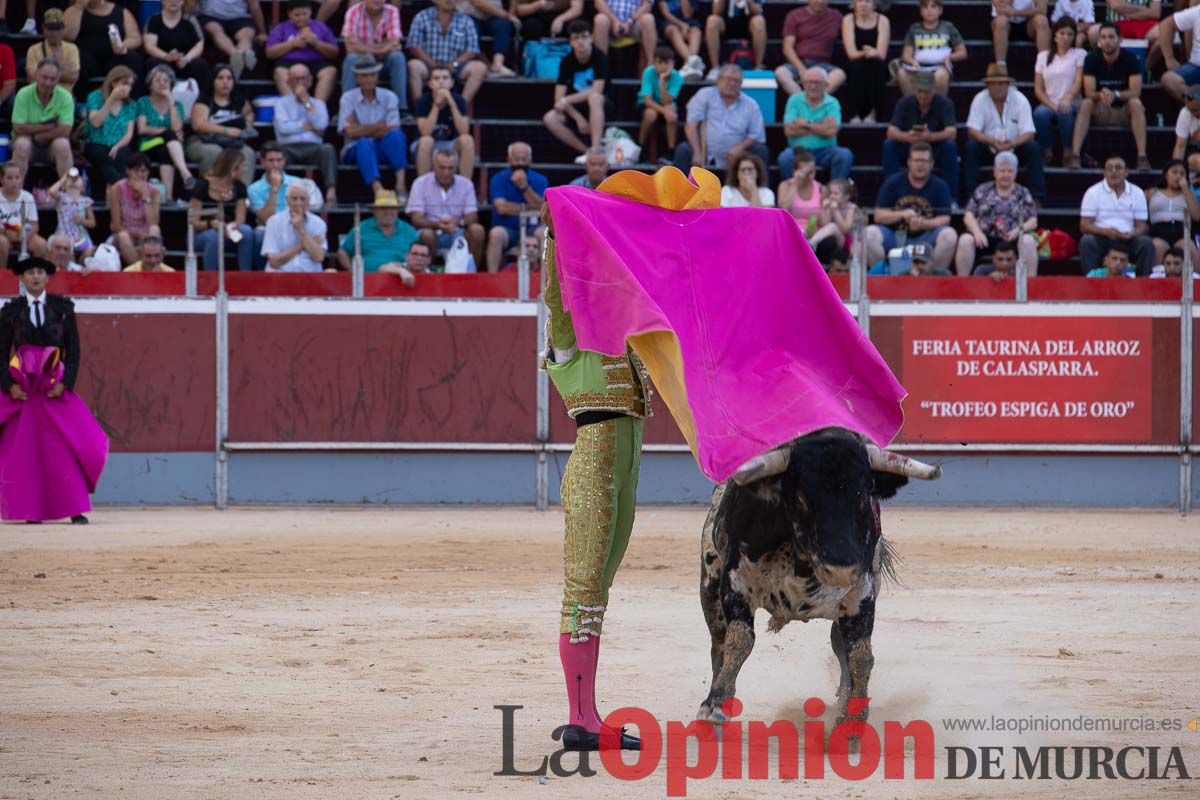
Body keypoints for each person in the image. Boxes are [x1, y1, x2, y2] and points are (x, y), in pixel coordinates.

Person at [538, 192, 648, 756]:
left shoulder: (621, 334)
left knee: (597, 592)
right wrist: (558, 232)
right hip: (595, 460)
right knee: (583, 591)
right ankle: (581, 717)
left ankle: (587, 712)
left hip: (625, 463)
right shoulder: (568, 332)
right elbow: (558, 291)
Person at [0, 256, 107, 525]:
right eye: (29, 273)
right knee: (27, 451)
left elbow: (74, 352)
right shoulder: (10, 311)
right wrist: (9, 386)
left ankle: (74, 509)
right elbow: (1, 354)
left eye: (39, 272)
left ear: (47, 278)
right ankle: (30, 510)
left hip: (52, 389)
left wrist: (65, 383)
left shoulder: (62, 308)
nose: (35, 277)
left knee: (64, 447)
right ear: (22, 279)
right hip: (25, 391)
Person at [865, 142, 957, 272]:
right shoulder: (893, 182)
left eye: (924, 161)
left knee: (949, 235)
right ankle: (883, 277)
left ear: (931, 164)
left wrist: (923, 223)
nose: (920, 165)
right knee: (869, 234)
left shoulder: (940, 186)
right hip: (895, 235)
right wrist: (902, 214)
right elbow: (878, 215)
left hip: (926, 237)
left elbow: (945, 219)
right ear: (909, 162)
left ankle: (934, 278)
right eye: (916, 160)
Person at [1068, 21, 1149, 171]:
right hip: (1101, 110)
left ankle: (1142, 157)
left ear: (1120, 39)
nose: (1107, 41)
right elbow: (1089, 92)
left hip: (1123, 112)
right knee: (1086, 103)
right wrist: (1101, 94)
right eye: (1103, 37)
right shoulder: (1092, 59)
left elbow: (1136, 91)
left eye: (1111, 37)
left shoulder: (1131, 59)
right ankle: (1075, 155)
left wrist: (1116, 94)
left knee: (1136, 103)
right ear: (1099, 40)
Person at [963, 63, 1044, 202]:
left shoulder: (1020, 99)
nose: (997, 87)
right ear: (987, 86)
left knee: (1034, 148)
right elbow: (972, 130)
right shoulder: (980, 99)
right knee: (970, 147)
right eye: (993, 84)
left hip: (1014, 147)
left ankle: (1037, 198)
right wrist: (991, 142)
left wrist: (1012, 143)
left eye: (1001, 83)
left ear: (1008, 84)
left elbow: (1029, 132)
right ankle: (971, 197)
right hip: (989, 147)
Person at [955, 152, 1039, 276]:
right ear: (995, 172)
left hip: (1012, 238)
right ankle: (962, 285)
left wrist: (1018, 230)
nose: (1006, 175)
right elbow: (968, 215)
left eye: (1010, 171)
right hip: (984, 239)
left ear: (1015, 174)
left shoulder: (1023, 192)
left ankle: (1031, 286)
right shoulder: (983, 190)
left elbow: (1033, 220)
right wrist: (976, 232)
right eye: (1002, 171)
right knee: (965, 239)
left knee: (1028, 241)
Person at [674, 65, 767, 173]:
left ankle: (761, 189)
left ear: (741, 84)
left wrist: (740, 148)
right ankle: (679, 189)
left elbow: (756, 134)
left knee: (761, 150)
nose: (732, 83)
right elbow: (691, 125)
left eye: (736, 81)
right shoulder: (704, 95)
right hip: (704, 151)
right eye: (728, 79)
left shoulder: (750, 105)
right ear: (718, 80)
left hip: (737, 156)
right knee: (683, 150)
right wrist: (697, 151)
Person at [339, 55, 408, 200]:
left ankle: (401, 186)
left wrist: (360, 127)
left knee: (397, 136)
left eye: (372, 75)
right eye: (364, 76)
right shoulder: (347, 98)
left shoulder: (390, 97)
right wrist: (379, 127)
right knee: (364, 142)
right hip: (355, 149)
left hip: (382, 146)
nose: (369, 79)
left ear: (377, 76)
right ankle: (378, 190)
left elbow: (392, 128)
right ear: (357, 78)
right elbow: (349, 132)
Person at [543, 21, 612, 160]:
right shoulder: (566, 62)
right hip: (575, 109)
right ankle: (587, 152)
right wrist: (577, 117)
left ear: (591, 39)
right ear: (570, 42)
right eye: (576, 38)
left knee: (594, 98)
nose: (581, 42)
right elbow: (558, 98)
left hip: (601, 106)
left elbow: (596, 90)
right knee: (550, 118)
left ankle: (596, 147)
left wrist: (566, 100)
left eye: (584, 37)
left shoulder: (600, 57)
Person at [882, 70, 959, 195]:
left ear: (934, 89)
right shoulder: (904, 103)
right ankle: (891, 194)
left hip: (934, 148)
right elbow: (891, 131)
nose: (923, 96)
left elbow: (952, 132)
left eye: (927, 92)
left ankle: (951, 197)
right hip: (910, 146)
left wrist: (930, 137)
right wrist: (907, 136)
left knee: (950, 147)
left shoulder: (945, 103)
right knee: (889, 145)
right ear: (915, 90)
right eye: (920, 91)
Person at [406, 148, 485, 268]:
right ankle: (427, 273)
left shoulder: (466, 184)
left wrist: (458, 222)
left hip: (457, 230)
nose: (446, 172)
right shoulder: (420, 183)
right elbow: (416, 219)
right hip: (431, 230)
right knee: (427, 235)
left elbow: (472, 216)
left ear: (457, 168)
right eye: (442, 168)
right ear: (433, 167)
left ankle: (471, 272)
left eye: (450, 168)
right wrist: (437, 224)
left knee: (477, 231)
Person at [274, 63, 339, 206]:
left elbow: (321, 125)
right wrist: (305, 127)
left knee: (328, 149)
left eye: (303, 79)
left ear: (310, 81)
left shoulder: (319, 104)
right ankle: (276, 193)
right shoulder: (281, 103)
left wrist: (306, 102)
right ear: (288, 82)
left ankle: (331, 193)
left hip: (313, 148)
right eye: (295, 79)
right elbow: (283, 128)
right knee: (276, 154)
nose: (300, 83)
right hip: (288, 148)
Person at [1078, 154, 1153, 275]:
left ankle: (1143, 287)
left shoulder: (1137, 192)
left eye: (1118, 168)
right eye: (1109, 168)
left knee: (1146, 243)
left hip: (1128, 238)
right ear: (1104, 173)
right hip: (1102, 238)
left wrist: (1132, 233)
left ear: (1126, 172)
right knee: (1087, 241)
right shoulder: (1093, 192)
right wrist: (1106, 232)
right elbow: (1084, 225)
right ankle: (1091, 285)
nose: (1114, 171)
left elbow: (1142, 226)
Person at [406, 0, 489, 105]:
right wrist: (432, 64)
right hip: (428, 65)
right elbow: (414, 46)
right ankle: (418, 108)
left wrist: (454, 64)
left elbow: (472, 50)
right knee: (413, 65)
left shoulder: (466, 20)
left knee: (480, 68)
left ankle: (460, 108)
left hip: (455, 66)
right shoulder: (422, 17)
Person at [778, 66, 853, 181]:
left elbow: (832, 131)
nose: (813, 86)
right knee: (785, 158)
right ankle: (793, 193)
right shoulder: (794, 100)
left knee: (844, 155)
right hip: (799, 150)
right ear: (803, 84)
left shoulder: (832, 102)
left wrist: (806, 123)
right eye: (809, 82)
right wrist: (821, 127)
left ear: (825, 85)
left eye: (817, 83)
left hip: (826, 150)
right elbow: (788, 130)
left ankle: (835, 192)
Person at [136, 64, 198, 203]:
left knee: (166, 149)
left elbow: (177, 128)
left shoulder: (177, 105)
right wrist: (164, 131)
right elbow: (142, 129)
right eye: (157, 80)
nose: (162, 83)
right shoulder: (143, 102)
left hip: (168, 146)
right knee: (169, 134)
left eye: (166, 80)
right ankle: (185, 173)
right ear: (150, 84)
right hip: (148, 144)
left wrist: (171, 101)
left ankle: (168, 197)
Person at [190, 148, 256, 271]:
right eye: (243, 166)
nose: (245, 170)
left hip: (227, 230)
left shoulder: (240, 187)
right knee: (215, 236)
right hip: (203, 232)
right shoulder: (202, 185)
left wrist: (229, 226)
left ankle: (245, 276)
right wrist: (212, 224)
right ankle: (210, 279)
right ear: (233, 168)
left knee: (246, 231)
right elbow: (194, 222)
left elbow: (240, 219)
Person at [487, 142, 547, 273]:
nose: (520, 163)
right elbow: (502, 208)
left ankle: (545, 280)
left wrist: (524, 187)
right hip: (508, 229)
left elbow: (542, 208)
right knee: (495, 234)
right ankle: (492, 277)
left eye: (524, 159)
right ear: (508, 160)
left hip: (532, 228)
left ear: (530, 160)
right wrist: (528, 206)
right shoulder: (498, 179)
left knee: (544, 234)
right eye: (516, 159)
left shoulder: (540, 180)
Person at [10, 59, 75, 182]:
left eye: (52, 79)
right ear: (36, 75)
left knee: (63, 144)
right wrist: (48, 127)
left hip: (51, 145)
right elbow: (18, 127)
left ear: (58, 79)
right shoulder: (23, 94)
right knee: (21, 145)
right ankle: (16, 195)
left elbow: (65, 131)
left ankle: (70, 195)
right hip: (26, 144)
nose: (48, 83)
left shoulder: (66, 97)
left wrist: (36, 137)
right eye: (44, 77)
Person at [1033, 16, 1085, 166]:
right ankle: (1047, 153)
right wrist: (1052, 105)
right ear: (1055, 35)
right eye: (1062, 33)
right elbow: (1038, 88)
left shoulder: (1079, 54)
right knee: (1039, 113)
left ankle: (1068, 152)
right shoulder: (1043, 56)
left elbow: (1079, 81)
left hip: (1072, 101)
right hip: (1050, 102)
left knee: (1064, 109)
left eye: (1069, 34)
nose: (1066, 38)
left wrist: (1068, 97)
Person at [64, 0, 146, 96]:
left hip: (113, 58)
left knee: (133, 58)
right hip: (86, 59)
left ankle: (135, 101)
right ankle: (81, 102)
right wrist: (79, 7)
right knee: (76, 58)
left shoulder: (121, 11)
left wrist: (123, 45)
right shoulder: (73, 10)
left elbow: (135, 38)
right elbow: (68, 36)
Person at [188, 64, 257, 176]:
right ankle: (210, 189)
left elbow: (249, 113)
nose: (225, 82)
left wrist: (248, 126)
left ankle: (242, 191)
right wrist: (226, 130)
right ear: (213, 81)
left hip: (232, 142)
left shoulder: (239, 100)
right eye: (220, 78)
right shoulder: (204, 100)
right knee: (213, 151)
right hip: (203, 142)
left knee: (248, 153)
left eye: (229, 78)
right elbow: (198, 125)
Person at [267, 0, 340, 104]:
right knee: (280, 72)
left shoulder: (320, 27)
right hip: (289, 62)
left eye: (305, 14)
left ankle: (318, 108)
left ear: (310, 12)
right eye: (297, 15)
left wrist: (317, 43)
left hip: (316, 62)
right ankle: (293, 107)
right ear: (289, 14)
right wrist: (291, 44)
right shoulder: (281, 28)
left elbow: (334, 53)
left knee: (330, 71)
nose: (301, 18)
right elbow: (270, 52)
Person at [82, 66, 137, 198]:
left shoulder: (131, 104)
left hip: (119, 143)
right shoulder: (95, 97)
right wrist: (111, 99)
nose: (127, 88)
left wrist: (117, 146)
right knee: (103, 157)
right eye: (124, 83)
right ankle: (125, 191)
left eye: (130, 85)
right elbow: (95, 122)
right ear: (113, 82)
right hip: (96, 142)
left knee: (124, 157)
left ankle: (119, 194)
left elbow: (129, 134)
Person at [413, 62, 474, 177]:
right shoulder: (423, 101)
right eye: (436, 78)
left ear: (451, 83)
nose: (441, 82)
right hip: (424, 146)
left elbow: (464, 131)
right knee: (426, 141)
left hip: (450, 144)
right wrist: (436, 105)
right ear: (430, 84)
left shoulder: (459, 100)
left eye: (445, 78)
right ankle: (423, 189)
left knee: (467, 140)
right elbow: (425, 132)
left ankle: (465, 189)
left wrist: (452, 103)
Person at [336, 190, 419, 275]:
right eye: (383, 208)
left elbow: (419, 255)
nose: (388, 212)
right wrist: (353, 272)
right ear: (375, 210)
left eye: (392, 208)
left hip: (400, 281)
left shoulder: (408, 231)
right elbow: (343, 252)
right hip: (368, 281)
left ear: (397, 210)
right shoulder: (361, 228)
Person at [776, 0, 846, 97]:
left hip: (823, 65)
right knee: (781, 73)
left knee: (840, 75)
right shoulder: (794, 15)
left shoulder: (836, 16)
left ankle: (814, 103)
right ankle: (803, 103)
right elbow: (787, 48)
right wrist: (801, 69)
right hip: (799, 63)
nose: (820, 1)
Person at [342, 0, 409, 102]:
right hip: (362, 61)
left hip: (383, 62)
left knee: (397, 57)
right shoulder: (353, 11)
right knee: (351, 58)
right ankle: (346, 107)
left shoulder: (392, 11)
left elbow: (395, 43)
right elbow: (350, 47)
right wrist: (381, 47)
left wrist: (362, 47)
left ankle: (401, 109)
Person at [248, 142, 324, 229]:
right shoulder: (253, 189)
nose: (275, 165)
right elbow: (266, 220)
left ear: (284, 161)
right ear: (262, 161)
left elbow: (304, 213)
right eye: (271, 160)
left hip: (294, 225)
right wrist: (274, 189)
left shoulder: (297, 182)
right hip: (268, 228)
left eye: (279, 160)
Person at [897, 0, 966, 97]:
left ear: (940, 10)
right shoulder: (914, 28)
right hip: (918, 67)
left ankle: (937, 108)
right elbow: (906, 55)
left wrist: (949, 58)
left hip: (940, 67)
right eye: (925, 7)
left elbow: (962, 52)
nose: (929, 10)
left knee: (940, 76)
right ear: (920, 11)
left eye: (933, 6)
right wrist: (912, 62)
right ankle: (913, 106)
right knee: (901, 73)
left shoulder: (948, 27)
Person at [106, 154, 163, 266]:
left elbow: (153, 222)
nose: (140, 175)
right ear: (128, 171)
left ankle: (147, 268)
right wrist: (137, 234)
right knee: (123, 236)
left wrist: (145, 195)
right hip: (124, 233)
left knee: (155, 230)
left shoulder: (154, 192)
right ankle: (141, 270)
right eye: (136, 171)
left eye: (144, 171)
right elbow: (116, 225)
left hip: (145, 235)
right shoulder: (117, 189)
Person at [840, 0, 890, 124]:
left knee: (877, 66)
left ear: (874, 4)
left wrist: (874, 53)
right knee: (857, 66)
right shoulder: (848, 19)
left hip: (876, 61)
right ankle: (855, 114)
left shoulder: (883, 20)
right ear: (854, 4)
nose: (863, 4)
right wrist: (866, 52)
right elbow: (851, 53)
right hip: (855, 61)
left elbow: (882, 54)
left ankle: (873, 113)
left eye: (867, 1)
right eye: (860, 1)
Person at [262, 182, 329, 272]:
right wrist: (302, 245)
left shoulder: (319, 223)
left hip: (311, 277)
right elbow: (274, 261)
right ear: (287, 200)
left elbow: (319, 257)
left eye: (302, 199)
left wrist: (301, 229)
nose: (299, 203)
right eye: (294, 199)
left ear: (308, 200)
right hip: (281, 275)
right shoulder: (273, 222)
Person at [144, 0, 211, 90]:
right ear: (163, 1)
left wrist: (187, 58)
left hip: (184, 61)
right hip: (163, 59)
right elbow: (150, 46)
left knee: (200, 64)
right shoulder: (154, 20)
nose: (173, 1)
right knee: (153, 62)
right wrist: (166, 56)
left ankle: (201, 99)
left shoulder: (190, 20)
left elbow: (199, 44)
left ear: (183, 2)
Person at [1145, 159, 1200, 267]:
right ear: (1166, 175)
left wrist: (1186, 190)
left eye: (1182, 173)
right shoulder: (1153, 192)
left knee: (1188, 246)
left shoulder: (1189, 194)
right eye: (1174, 172)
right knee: (1157, 246)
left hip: (1182, 231)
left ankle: (1196, 281)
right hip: (1158, 231)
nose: (1178, 176)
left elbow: (1197, 216)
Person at [196, 0, 267, 79]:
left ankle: (243, 53)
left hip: (239, 16)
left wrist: (262, 32)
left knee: (246, 34)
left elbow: (255, 7)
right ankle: (236, 54)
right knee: (215, 31)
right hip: (210, 16)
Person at [24, 9, 81, 96]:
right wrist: (63, 70)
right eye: (50, 28)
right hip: (40, 97)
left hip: (65, 98)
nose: (54, 33)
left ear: (63, 28)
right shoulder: (33, 49)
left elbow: (73, 77)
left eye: (57, 28)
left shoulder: (72, 49)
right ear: (43, 28)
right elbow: (31, 77)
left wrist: (44, 74)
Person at [704, 0, 766, 79]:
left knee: (759, 21)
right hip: (726, 23)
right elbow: (716, 11)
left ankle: (758, 67)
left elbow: (757, 10)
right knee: (712, 20)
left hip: (748, 23)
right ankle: (715, 68)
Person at [637, 46, 682, 152]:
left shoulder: (677, 77)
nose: (662, 66)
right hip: (648, 104)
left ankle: (671, 150)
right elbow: (647, 100)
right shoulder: (648, 72)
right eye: (659, 62)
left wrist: (662, 80)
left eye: (666, 63)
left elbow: (667, 101)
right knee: (650, 114)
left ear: (672, 64)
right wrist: (665, 112)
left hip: (665, 104)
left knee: (671, 111)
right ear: (654, 62)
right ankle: (641, 147)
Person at [456, 0, 517, 78]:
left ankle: (498, 65)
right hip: (470, 14)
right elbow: (478, 2)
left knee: (504, 25)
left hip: (493, 16)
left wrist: (512, 11)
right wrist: (507, 15)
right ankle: (484, 65)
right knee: (471, 28)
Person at [0, 162, 45, 264]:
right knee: (1, 243)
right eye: (10, 178)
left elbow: (35, 225)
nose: (14, 182)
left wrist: (24, 237)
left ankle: (35, 275)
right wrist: (6, 232)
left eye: (17, 178)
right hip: (3, 234)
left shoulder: (27, 197)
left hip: (24, 234)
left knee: (41, 245)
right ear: (1, 179)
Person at [49, 168, 96, 262]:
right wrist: (65, 178)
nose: (74, 180)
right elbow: (51, 191)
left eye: (78, 178)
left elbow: (92, 223)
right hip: (64, 233)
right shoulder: (62, 197)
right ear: (64, 187)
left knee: (89, 250)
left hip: (80, 236)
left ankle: (79, 266)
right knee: (67, 251)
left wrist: (82, 221)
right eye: (71, 179)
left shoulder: (85, 201)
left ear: (82, 187)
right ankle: (71, 268)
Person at [593, 0, 656, 67]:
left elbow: (647, 5)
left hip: (634, 22)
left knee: (648, 19)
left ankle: (651, 66)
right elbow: (598, 2)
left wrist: (629, 22)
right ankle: (600, 67)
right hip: (609, 20)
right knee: (600, 20)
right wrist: (613, 20)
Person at [1160, 2, 1200, 103]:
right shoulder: (1197, 11)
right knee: (1169, 79)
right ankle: (1196, 103)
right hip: (1196, 67)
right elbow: (1166, 25)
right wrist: (1169, 59)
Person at [992, 0, 1050, 65]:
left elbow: (1042, 9)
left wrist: (1015, 12)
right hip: (1005, 23)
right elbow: (1000, 9)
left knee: (1042, 20)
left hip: (1028, 22)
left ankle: (1044, 64)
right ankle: (1000, 66)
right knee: (1001, 21)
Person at [775, 147, 821, 229]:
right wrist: (795, 184)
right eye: (805, 172)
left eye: (811, 172)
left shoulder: (820, 187)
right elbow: (784, 210)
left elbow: (824, 221)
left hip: (814, 233)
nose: (809, 176)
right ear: (794, 171)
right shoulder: (785, 185)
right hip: (792, 230)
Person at [657, 0, 704, 78]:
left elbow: (687, 15)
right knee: (673, 30)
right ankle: (692, 62)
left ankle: (689, 65)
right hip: (669, 23)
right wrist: (681, 25)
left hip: (688, 22)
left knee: (696, 31)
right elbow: (666, 14)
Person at [810, 177, 858, 251]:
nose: (832, 196)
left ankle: (810, 243)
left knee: (833, 226)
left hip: (849, 242)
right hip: (833, 239)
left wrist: (836, 211)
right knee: (823, 228)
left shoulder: (851, 208)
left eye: (836, 193)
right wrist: (824, 209)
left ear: (846, 196)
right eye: (830, 193)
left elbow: (845, 230)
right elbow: (824, 224)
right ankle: (811, 243)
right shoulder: (831, 205)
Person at [513, 0, 583, 41]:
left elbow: (577, 8)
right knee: (531, 26)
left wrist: (560, 20)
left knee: (575, 26)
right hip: (537, 16)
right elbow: (519, 10)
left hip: (564, 16)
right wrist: (537, 5)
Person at [1172, 85, 1200, 160]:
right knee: (1194, 160)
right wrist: (1176, 167)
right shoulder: (1185, 113)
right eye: (1190, 110)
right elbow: (1180, 146)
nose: (1193, 114)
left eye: (1196, 110)